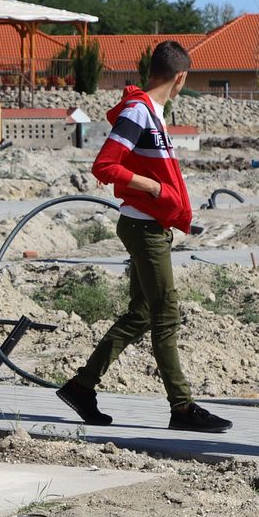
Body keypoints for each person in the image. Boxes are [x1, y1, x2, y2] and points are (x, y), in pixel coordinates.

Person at [57, 42, 232, 433]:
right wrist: (152, 188)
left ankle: (81, 387)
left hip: (150, 225)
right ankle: (182, 408)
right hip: (144, 227)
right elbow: (104, 165)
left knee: (142, 314)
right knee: (166, 314)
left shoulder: (153, 112)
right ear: (180, 78)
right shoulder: (139, 111)